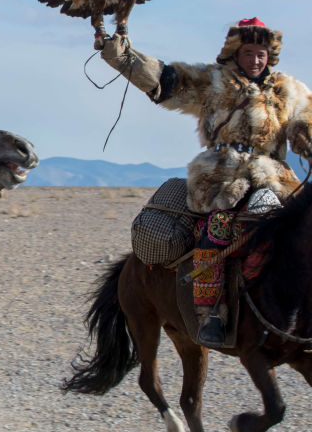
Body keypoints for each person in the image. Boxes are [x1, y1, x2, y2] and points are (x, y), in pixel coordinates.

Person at [101, 18, 312, 344]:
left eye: (262, 54)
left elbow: (306, 124)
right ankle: (211, 311)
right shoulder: (212, 82)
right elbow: (166, 80)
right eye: (249, 53)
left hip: (274, 176)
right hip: (223, 177)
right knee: (217, 231)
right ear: (234, 53)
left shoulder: (290, 90)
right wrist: (118, 53)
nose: (256, 60)